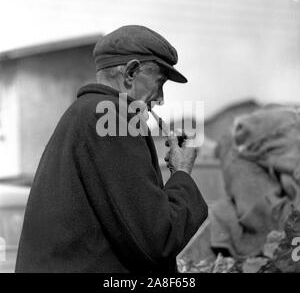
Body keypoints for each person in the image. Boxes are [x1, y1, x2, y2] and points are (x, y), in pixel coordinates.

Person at [15, 25, 208, 273]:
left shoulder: (83, 113)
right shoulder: (115, 118)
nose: (161, 97)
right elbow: (157, 240)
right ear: (130, 73)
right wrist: (182, 173)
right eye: (159, 82)